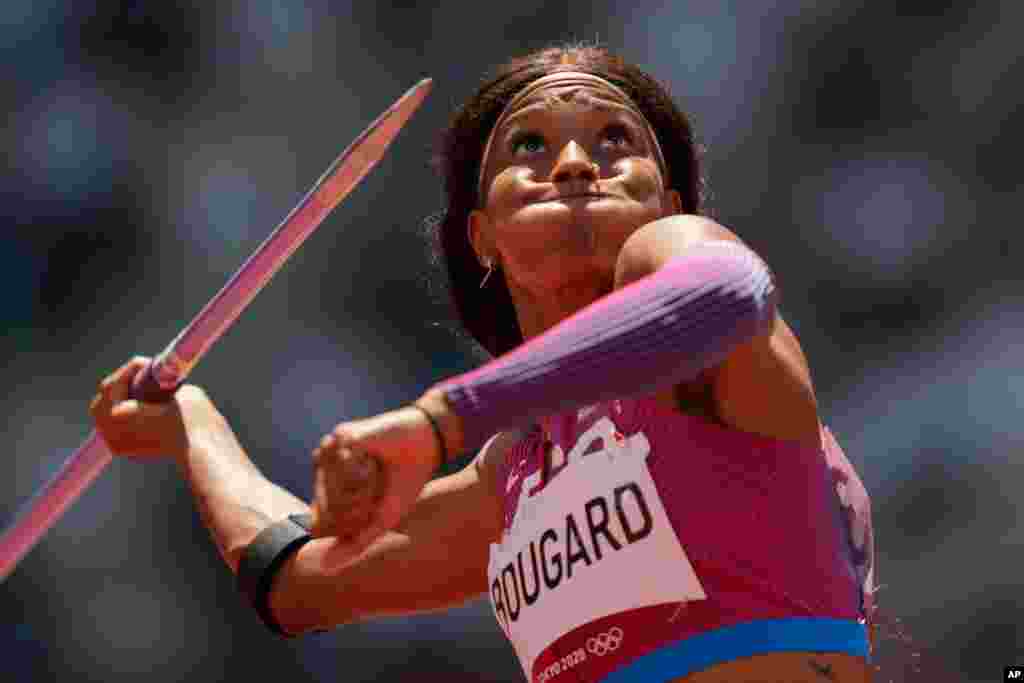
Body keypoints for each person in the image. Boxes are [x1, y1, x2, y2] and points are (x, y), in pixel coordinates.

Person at [91, 44, 876, 683]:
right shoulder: (513, 477)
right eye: (529, 145)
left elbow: (726, 291)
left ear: (670, 207)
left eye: (616, 140)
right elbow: (297, 580)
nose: (574, 161)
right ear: (482, 236)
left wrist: (440, 422)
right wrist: (192, 424)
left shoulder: (677, 266)